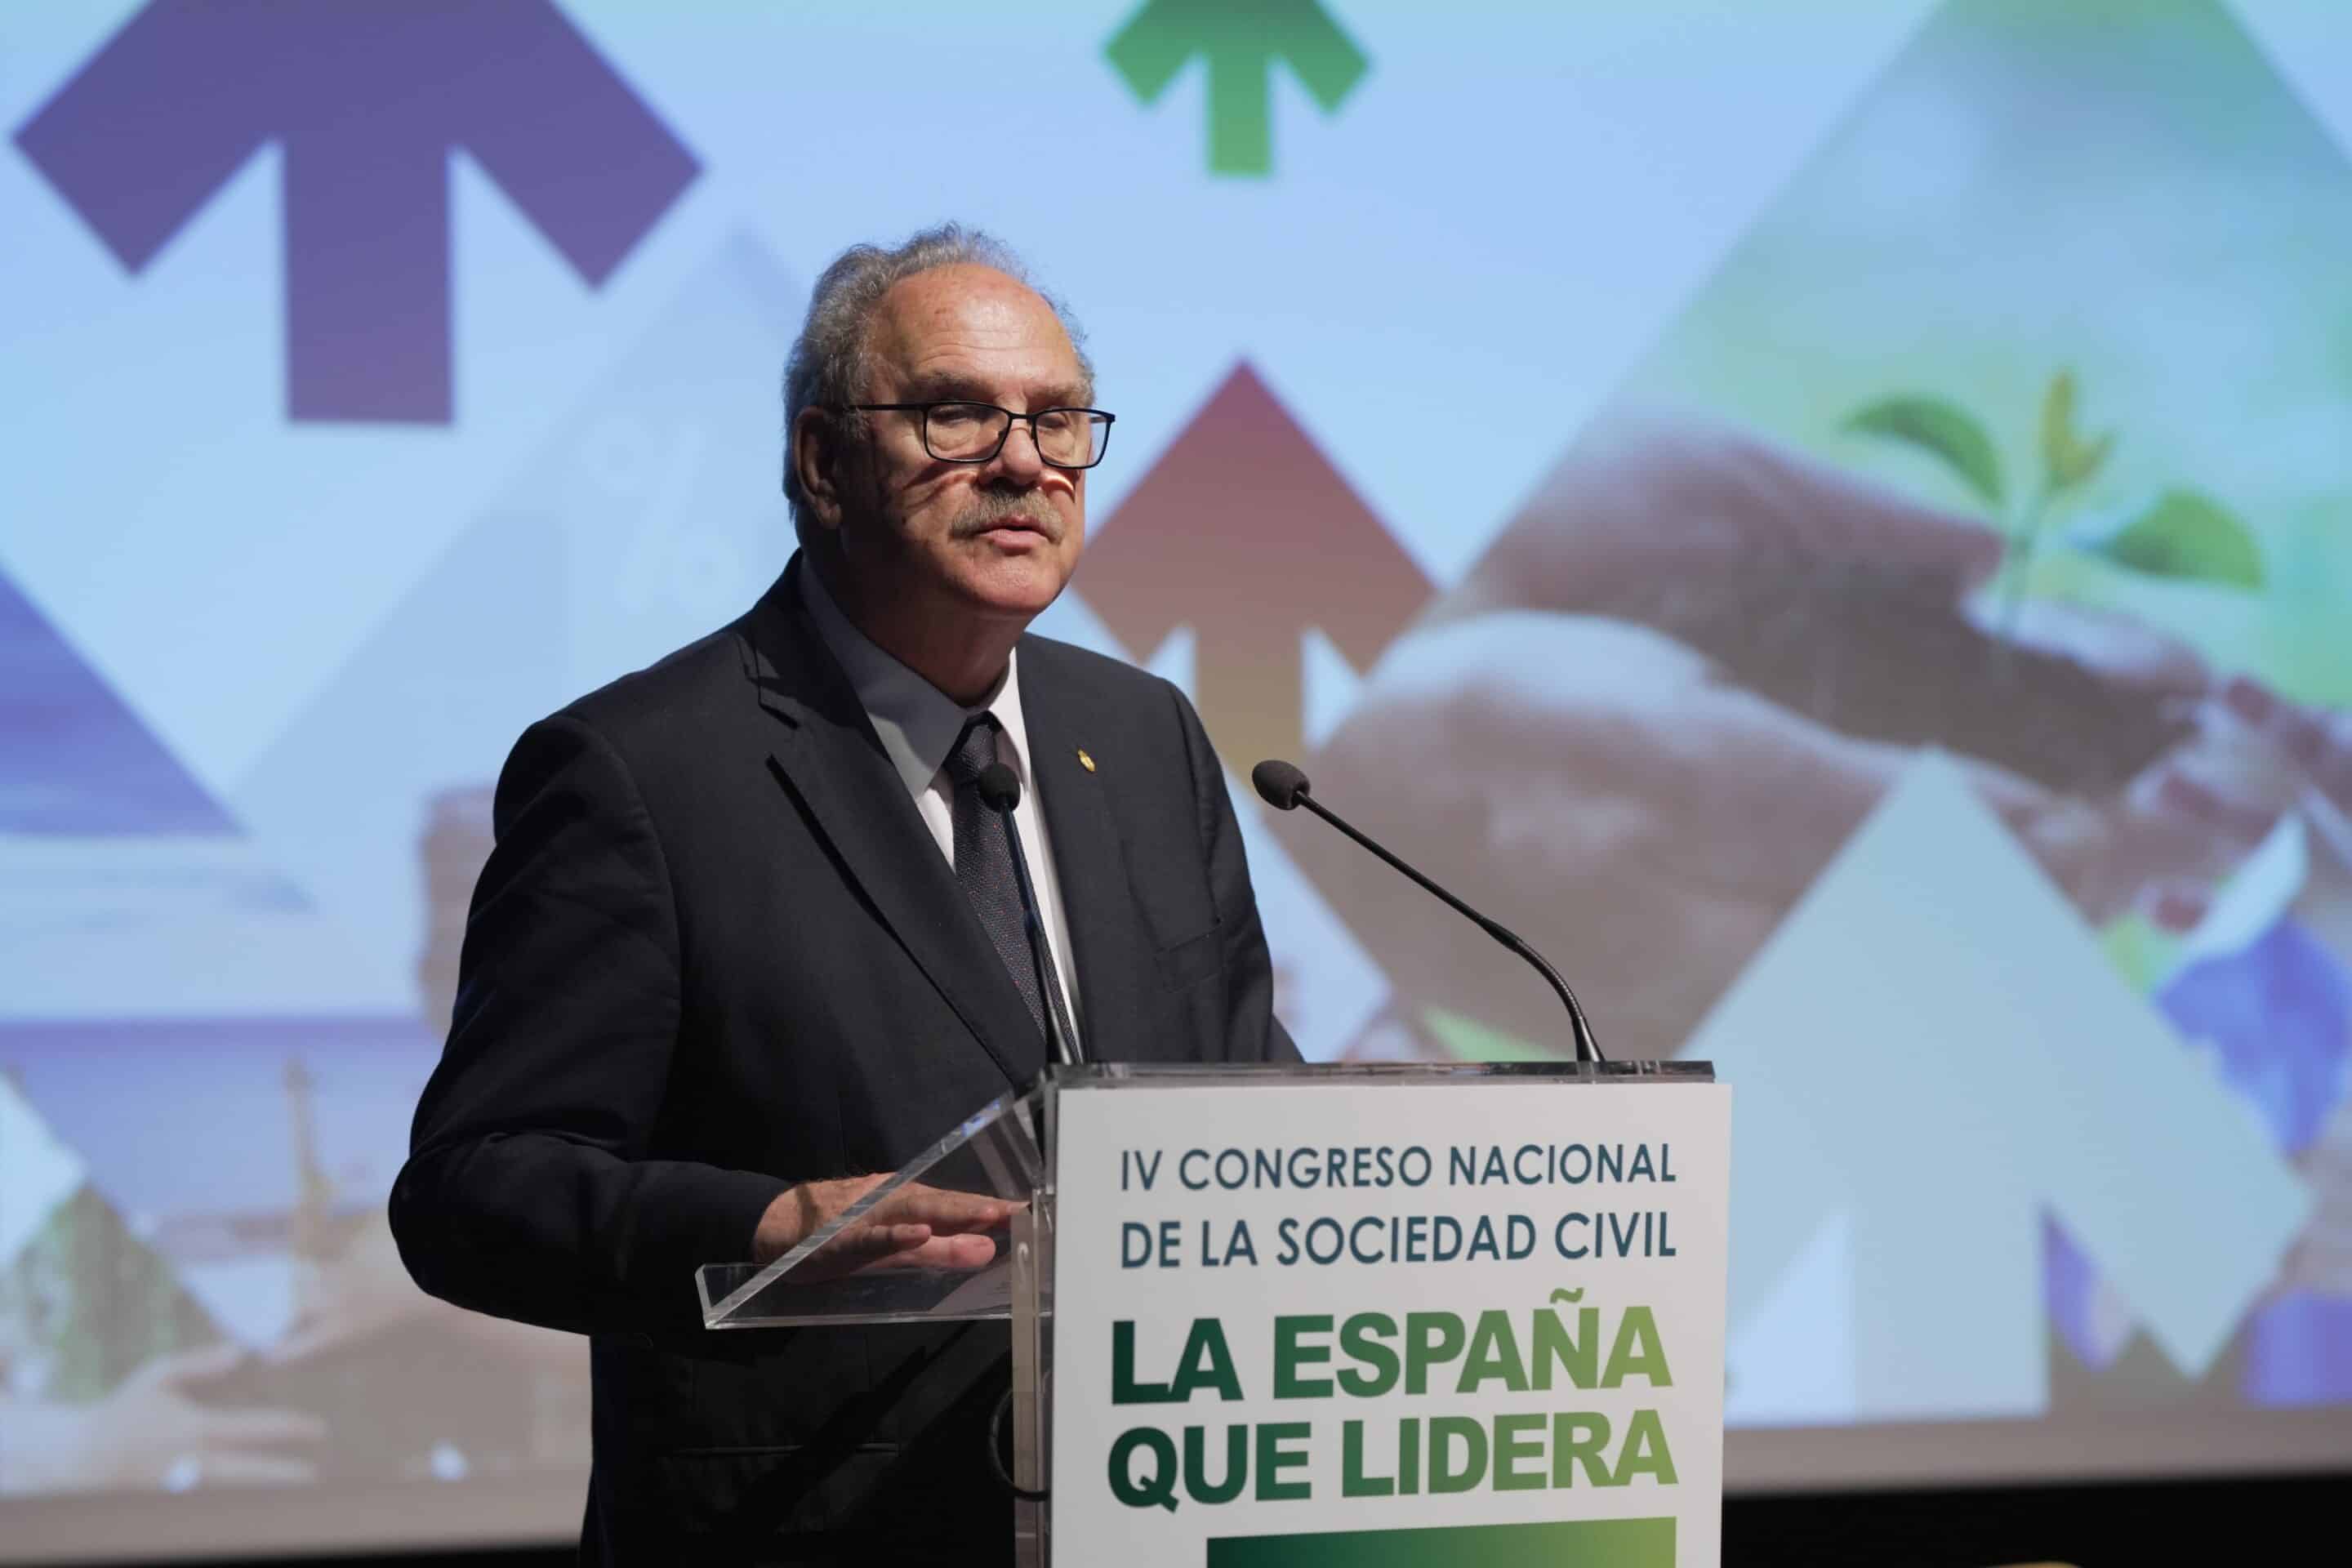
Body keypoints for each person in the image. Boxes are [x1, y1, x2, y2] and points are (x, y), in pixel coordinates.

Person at [390, 225, 1297, 1565]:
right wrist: (762, 1227)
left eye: (1057, 421)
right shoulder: (640, 774)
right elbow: (474, 1191)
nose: (1023, 462)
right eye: (955, 414)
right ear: (824, 461)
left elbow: (1249, 1096)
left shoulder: (1147, 737)